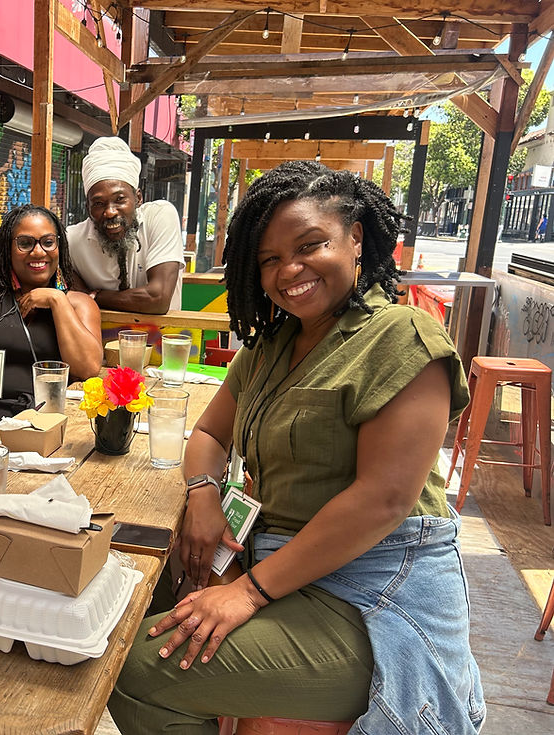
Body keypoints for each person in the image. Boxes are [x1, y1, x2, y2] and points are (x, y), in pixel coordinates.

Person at [109, 161, 484, 734]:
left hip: (373, 594)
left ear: (355, 238)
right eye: (269, 259)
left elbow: (383, 501)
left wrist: (248, 593)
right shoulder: (273, 343)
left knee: (139, 670)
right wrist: (205, 496)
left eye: (311, 245)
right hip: (284, 566)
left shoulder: (401, 337)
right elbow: (209, 434)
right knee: (130, 613)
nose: (290, 270)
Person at [0, 137, 185, 314]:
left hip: (166, 345)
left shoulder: (160, 215)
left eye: (120, 200)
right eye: (98, 203)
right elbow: (31, 257)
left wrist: (95, 296)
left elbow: (158, 298)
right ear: (87, 206)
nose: (109, 212)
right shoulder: (71, 239)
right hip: (101, 343)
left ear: (138, 198)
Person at [0, 204, 102, 436]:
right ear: (8, 249)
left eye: (48, 242)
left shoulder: (78, 304)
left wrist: (58, 301)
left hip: (43, 428)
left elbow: (87, 369)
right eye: (25, 243)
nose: (38, 252)